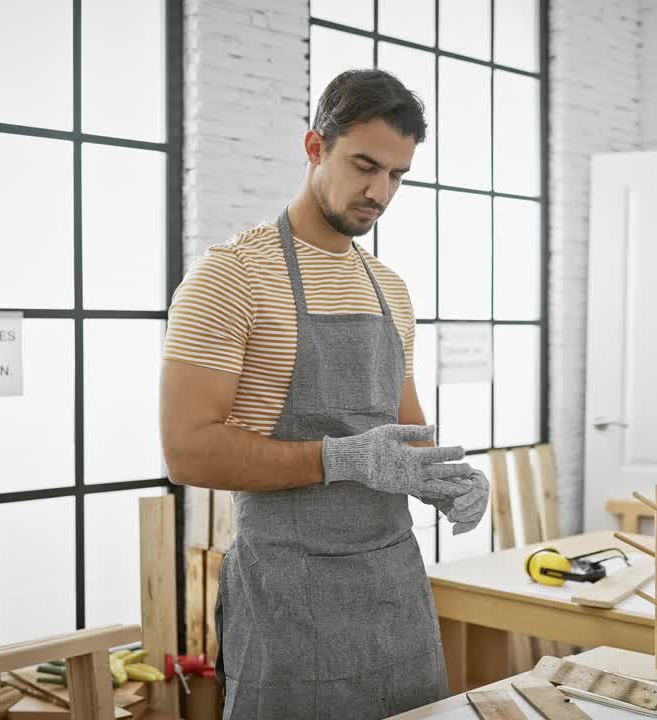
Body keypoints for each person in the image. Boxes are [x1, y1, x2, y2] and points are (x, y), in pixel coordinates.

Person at [159, 68, 490, 720]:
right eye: (365, 165)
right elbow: (187, 452)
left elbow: (407, 437)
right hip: (289, 595)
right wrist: (338, 459)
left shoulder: (389, 289)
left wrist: (448, 479)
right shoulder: (231, 278)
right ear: (315, 147)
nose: (379, 192)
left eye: (397, 175)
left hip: (395, 590)